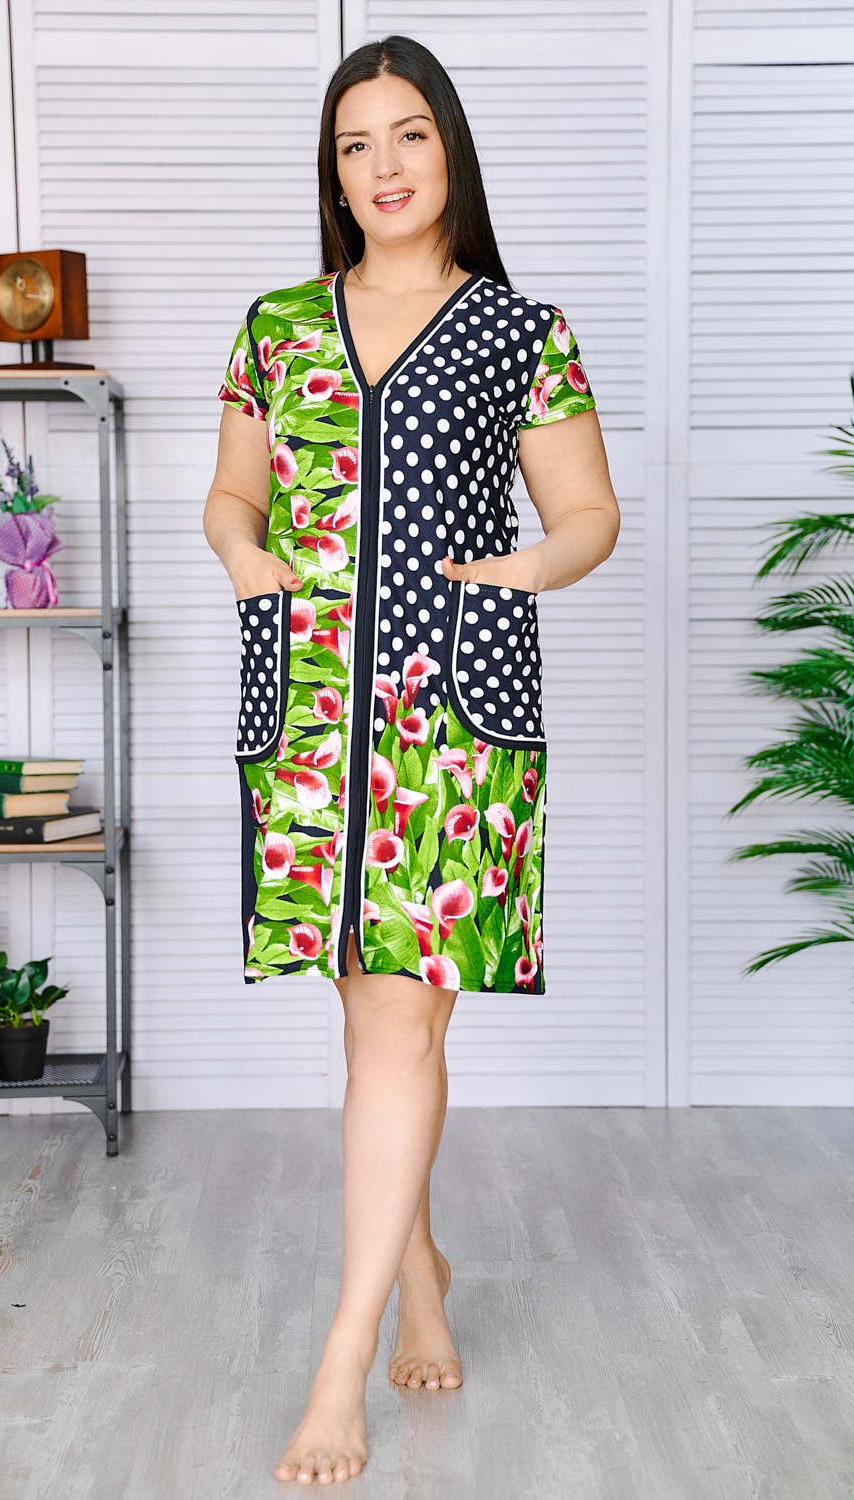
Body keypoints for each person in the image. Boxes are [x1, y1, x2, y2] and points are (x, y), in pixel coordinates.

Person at [203, 34, 619, 1487]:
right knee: (372, 1025)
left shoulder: (521, 330)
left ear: (451, 150)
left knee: (403, 1027)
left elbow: (589, 514)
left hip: (453, 719)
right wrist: (250, 563)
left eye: (409, 135)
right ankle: (423, 1273)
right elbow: (231, 497)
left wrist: (520, 570)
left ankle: (341, 1360)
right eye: (355, 144)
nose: (383, 166)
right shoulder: (274, 327)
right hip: (311, 714)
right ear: (335, 173)